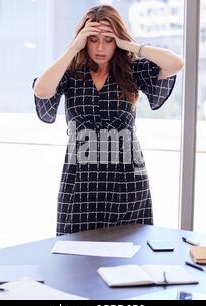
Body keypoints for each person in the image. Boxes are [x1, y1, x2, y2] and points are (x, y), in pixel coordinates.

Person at [33, 4, 184, 236]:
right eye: (93, 39)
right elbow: (42, 90)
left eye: (109, 40)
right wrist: (73, 48)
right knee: (75, 259)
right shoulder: (71, 74)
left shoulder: (132, 71)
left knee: (127, 257)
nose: (100, 47)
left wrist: (130, 45)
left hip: (125, 179)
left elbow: (175, 64)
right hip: (81, 180)